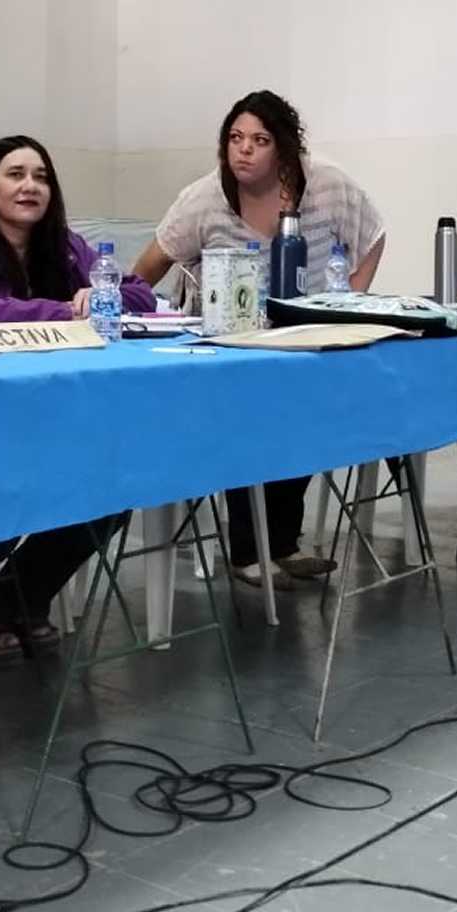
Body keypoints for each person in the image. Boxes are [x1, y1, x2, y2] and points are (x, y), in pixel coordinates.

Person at [133, 90, 386, 590]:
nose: (243, 150)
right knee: (246, 417)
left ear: (284, 149)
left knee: (313, 418)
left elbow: (375, 236)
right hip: (228, 352)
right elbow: (145, 269)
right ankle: (248, 551)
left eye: (259, 140)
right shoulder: (203, 198)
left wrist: (348, 304)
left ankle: (284, 543)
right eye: (234, 139)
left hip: (304, 341)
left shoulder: (327, 185)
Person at [0, 135, 154, 654]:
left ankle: (24, 595)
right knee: (5, 487)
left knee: (112, 488)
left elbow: (143, 293)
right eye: (15, 174)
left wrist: (106, 295)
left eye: (42, 176)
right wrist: (69, 310)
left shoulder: (66, 243)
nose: (30, 186)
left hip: (60, 407)